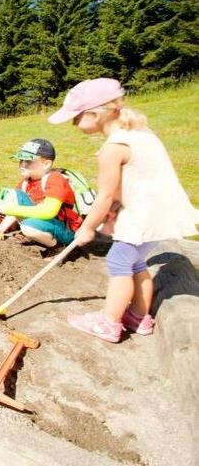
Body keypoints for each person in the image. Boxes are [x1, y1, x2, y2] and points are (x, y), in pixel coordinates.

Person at [48, 78, 197, 342]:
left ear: (94, 114)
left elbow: (104, 196)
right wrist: (116, 206)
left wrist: (87, 227)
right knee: (135, 262)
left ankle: (109, 322)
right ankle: (138, 317)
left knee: (118, 262)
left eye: (76, 117)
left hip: (142, 217)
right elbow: (137, 179)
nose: (73, 124)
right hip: (158, 214)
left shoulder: (113, 148)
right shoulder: (140, 134)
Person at [0, 139, 82, 249]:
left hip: (66, 229)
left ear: (46, 164)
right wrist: (0, 229)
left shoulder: (55, 179)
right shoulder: (26, 181)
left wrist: (10, 209)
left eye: (29, 161)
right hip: (43, 223)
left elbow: (49, 211)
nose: (22, 165)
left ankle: (59, 247)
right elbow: (15, 210)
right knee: (13, 194)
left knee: (28, 227)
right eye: (21, 160)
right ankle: (36, 234)